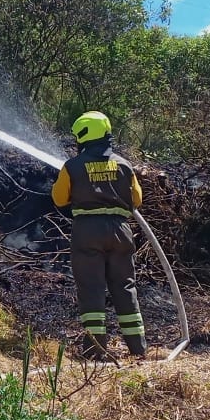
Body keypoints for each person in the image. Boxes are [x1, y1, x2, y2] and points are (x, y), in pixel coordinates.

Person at [51, 110, 146, 359]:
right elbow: (137, 199)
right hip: (120, 231)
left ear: (84, 135)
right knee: (125, 287)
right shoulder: (124, 165)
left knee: (92, 288)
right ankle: (138, 350)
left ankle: (95, 352)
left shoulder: (72, 166)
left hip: (88, 232)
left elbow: (59, 199)